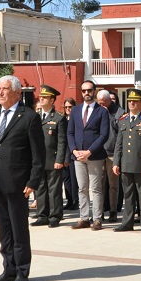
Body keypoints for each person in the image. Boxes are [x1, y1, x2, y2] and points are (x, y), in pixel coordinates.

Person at [0, 75, 45, 281]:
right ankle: (8, 269)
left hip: (19, 183)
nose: (0, 92)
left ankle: (22, 271)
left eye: (5, 89)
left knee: (19, 229)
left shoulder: (28, 117)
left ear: (17, 93)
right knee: (4, 229)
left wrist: (33, 181)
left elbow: (38, 155)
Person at [112, 89, 141, 233]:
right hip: (126, 163)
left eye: (135, 101)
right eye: (129, 101)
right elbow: (119, 143)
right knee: (128, 195)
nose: (131, 103)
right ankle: (127, 222)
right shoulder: (123, 120)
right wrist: (116, 162)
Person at [67, 80, 110, 230]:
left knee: (96, 188)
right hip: (78, 156)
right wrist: (74, 150)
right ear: (81, 92)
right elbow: (70, 132)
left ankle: (97, 219)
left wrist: (89, 151)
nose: (87, 93)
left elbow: (104, 135)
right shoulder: (75, 110)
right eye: (84, 90)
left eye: (89, 90)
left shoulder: (102, 111)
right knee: (82, 188)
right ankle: (84, 218)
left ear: (94, 91)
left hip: (95, 156)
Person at [31, 85, 68, 228]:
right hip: (38, 160)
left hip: (53, 160)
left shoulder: (58, 118)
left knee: (54, 190)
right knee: (40, 188)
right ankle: (42, 215)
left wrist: (60, 160)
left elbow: (61, 141)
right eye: (41, 97)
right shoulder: (36, 117)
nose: (41, 98)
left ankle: (55, 216)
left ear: (52, 100)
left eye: (45, 97)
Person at [98, 89, 124, 223]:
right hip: (98, 152)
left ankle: (113, 211)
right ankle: (99, 211)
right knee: (99, 185)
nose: (102, 105)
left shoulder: (119, 112)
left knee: (113, 185)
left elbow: (121, 130)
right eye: (100, 103)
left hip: (112, 153)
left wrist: (108, 115)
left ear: (109, 100)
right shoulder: (96, 110)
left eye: (104, 103)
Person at [62, 98, 80, 208]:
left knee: (74, 179)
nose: (68, 109)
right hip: (64, 152)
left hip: (73, 152)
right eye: (66, 107)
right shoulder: (62, 120)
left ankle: (75, 201)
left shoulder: (77, 119)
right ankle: (69, 200)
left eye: (70, 107)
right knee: (66, 179)